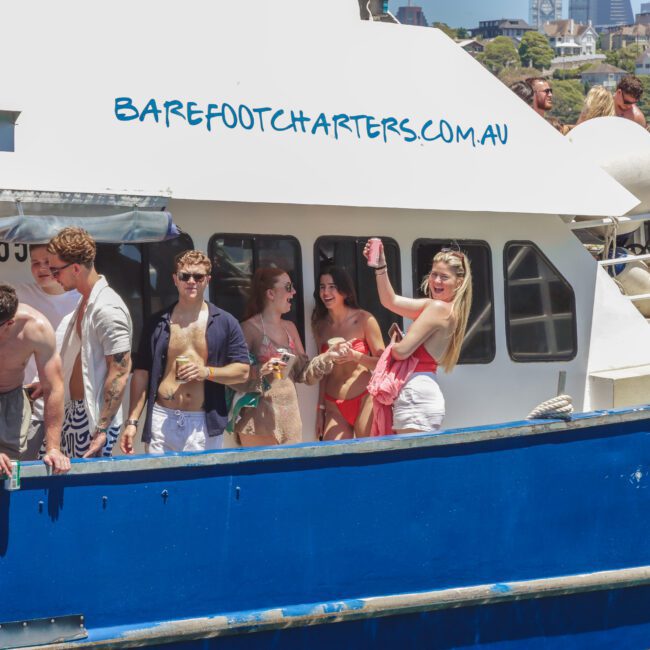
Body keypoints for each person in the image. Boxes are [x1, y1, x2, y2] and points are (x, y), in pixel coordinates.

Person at [120, 250, 250, 454]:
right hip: (162, 418)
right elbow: (141, 373)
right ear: (175, 279)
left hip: (203, 423)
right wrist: (132, 422)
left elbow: (242, 371)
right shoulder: (157, 323)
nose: (191, 281)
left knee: (203, 485)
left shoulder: (226, 322)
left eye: (198, 276)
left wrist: (206, 372)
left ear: (207, 280)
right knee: (160, 483)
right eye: (185, 276)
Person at [365, 242, 472, 434]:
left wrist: (396, 342)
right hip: (420, 393)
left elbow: (401, 352)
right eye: (434, 274)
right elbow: (390, 301)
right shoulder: (444, 309)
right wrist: (381, 267)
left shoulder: (438, 308)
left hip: (416, 396)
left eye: (444, 277)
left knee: (408, 462)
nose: (436, 281)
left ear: (459, 282)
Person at [47, 227, 132, 458]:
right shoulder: (86, 302)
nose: (53, 277)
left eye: (55, 271)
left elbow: (120, 371)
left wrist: (101, 429)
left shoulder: (107, 308)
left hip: (92, 420)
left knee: (85, 491)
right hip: (73, 412)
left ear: (75, 268)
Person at [231, 267, 335, 447]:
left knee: (291, 475)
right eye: (288, 287)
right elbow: (234, 376)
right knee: (263, 474)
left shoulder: (290, 328)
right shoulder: (248, 329)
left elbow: (304, 373)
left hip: (290, 419)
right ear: (270, 293)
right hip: (258, 421)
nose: (294, 292)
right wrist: (263, 370)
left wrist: (327, 357)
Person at [15, 244, 80, 459]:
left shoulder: (82, 299)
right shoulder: (17, 295)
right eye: (35, 262)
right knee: (18, 478)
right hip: (27, 411)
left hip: (71, 413)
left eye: (48, 263)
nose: (42, 268)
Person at [0, 284, 69, 473]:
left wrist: (53, 448)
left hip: (11, 402)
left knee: (10, 472)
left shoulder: (36, 328)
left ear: (9, 323)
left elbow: (54, 386)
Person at [311, 266, 384, 440]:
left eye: (332, 287)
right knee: (334, 460)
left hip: (364, 399)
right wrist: (320, 409)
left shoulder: (364, 319)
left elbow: (383, 362)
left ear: (344, 290)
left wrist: (355, 356)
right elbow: (323, 372)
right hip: (333, 404)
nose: (326, 292)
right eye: (322, 287)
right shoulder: (320, 325)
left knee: (367, 456)